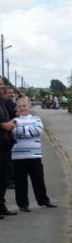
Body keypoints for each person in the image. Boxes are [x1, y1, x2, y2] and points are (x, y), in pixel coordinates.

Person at [12, 98, 56, 212]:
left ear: (29, 106)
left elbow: (39, 130)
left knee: (38, 179)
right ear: (17, 107)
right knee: (20, 181)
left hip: (34, 155)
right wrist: (29, 131)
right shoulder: (14, 120)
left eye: (24, 106)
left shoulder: (36, 119)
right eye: (20, 106)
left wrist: (22, 130)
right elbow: (14, 132)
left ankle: (43, 200)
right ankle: (23, 205)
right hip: (18, 155)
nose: (22, 108)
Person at [0, 84, 18, 218]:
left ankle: (1, 205)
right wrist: (2, 125)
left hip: (5, 144)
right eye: (0, 85)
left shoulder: (2, 101)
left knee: (4, 178)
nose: (3, 87)